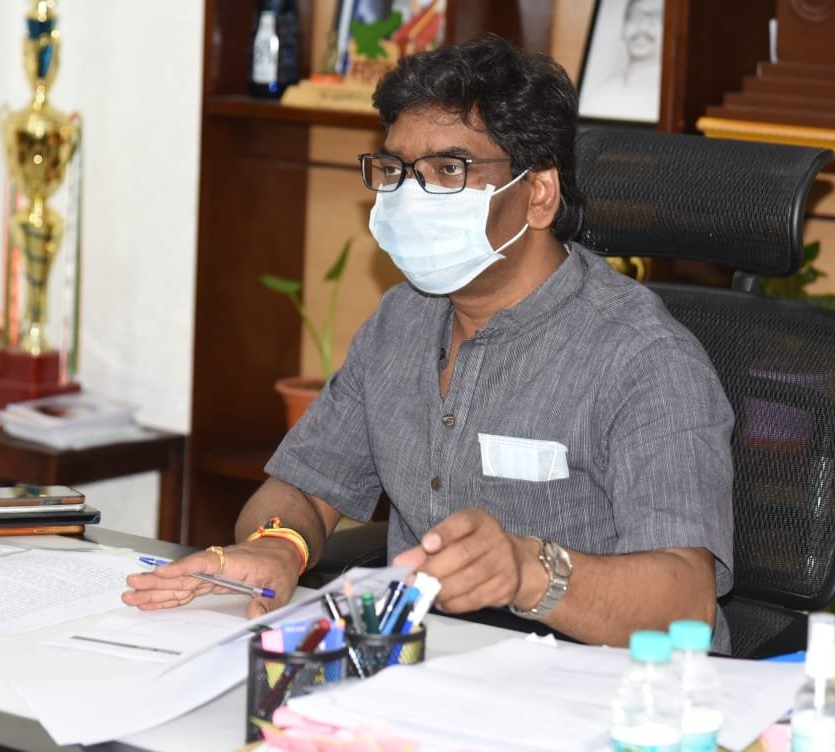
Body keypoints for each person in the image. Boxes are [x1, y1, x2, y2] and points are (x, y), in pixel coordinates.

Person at [123, 34, 734, 652]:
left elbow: (688, 603)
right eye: (395, 170)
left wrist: (529, 572)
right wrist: (280, 546)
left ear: (539, 194)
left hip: (600, 689)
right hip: (421, 669)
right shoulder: (403, 319)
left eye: (449, 170)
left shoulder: (644, 358)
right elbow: (305, 485)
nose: (411, 196)